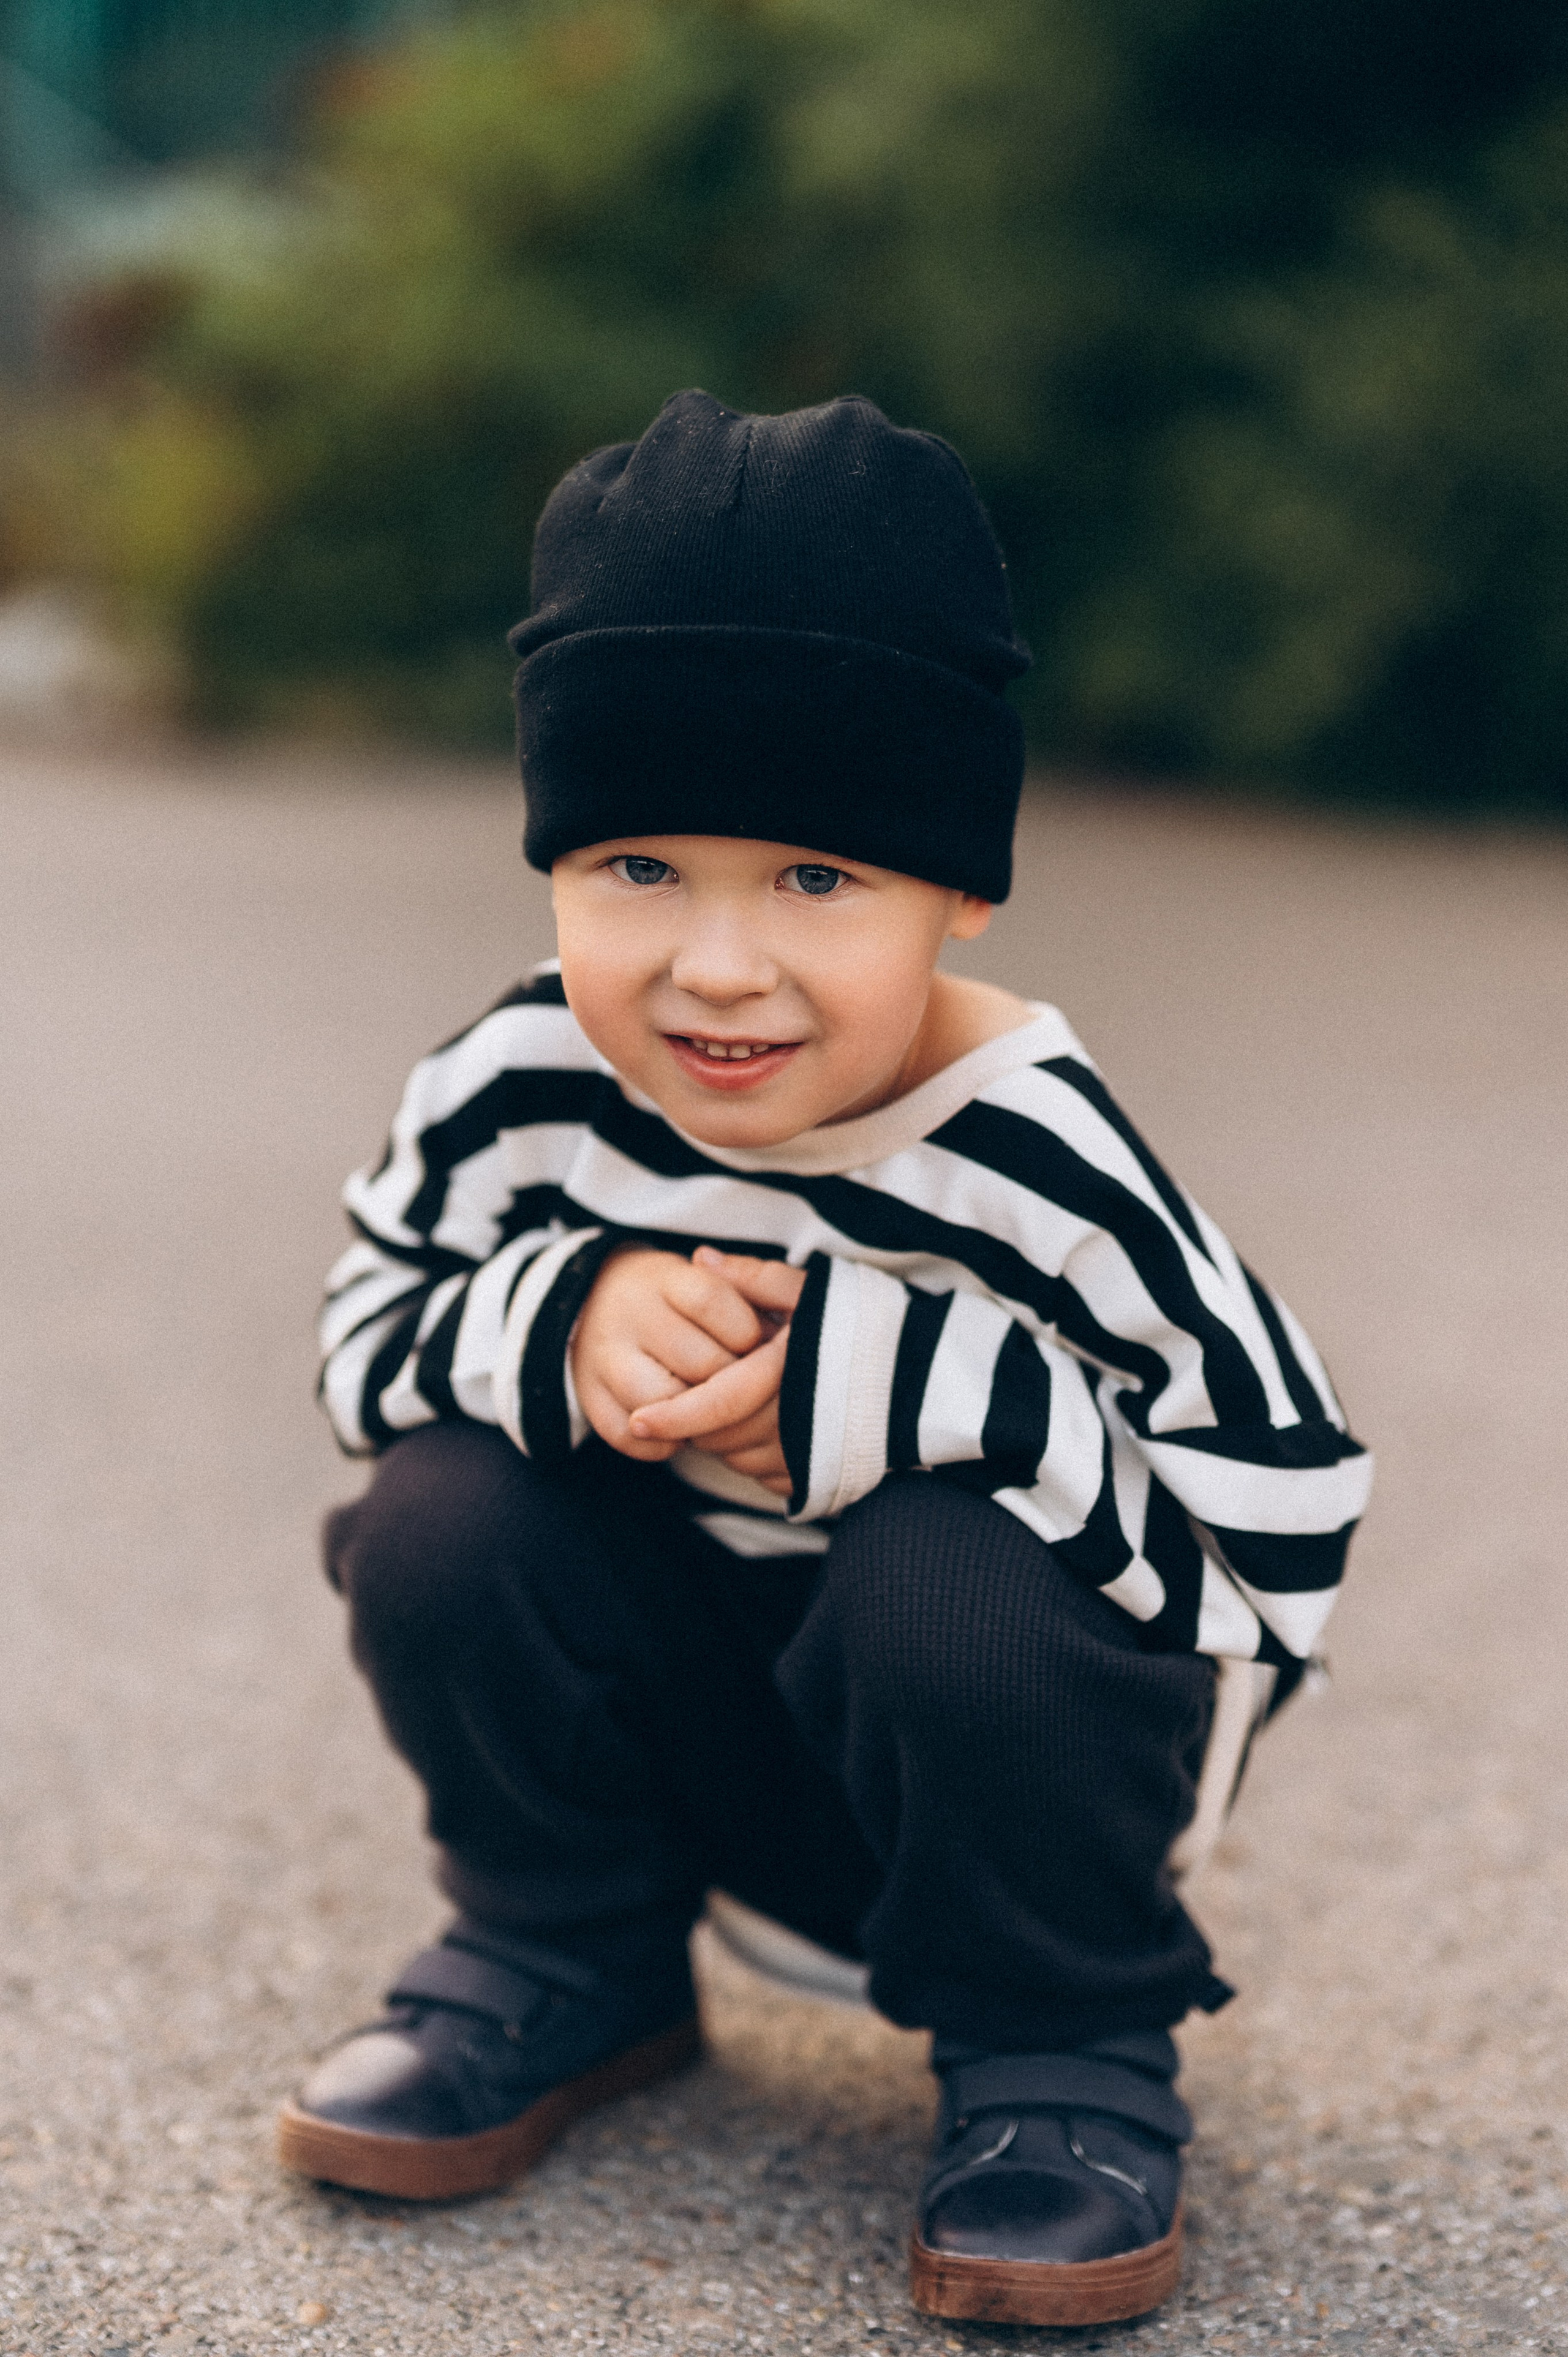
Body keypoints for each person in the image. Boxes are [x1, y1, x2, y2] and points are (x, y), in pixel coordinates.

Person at [277, 390, 1372, 2328]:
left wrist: (917, 1392)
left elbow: (1282, 1524)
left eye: (815, 878)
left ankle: (1061, 2051)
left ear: (959, 884)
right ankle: (565, 1950)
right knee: (444, 1504)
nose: (717, 966)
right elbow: (366, 1341)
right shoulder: (520, 1082)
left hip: (1010, 1804)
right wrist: (561, 1316)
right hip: (677, 1748)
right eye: (637, 868)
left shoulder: (1042, 1162)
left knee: (944, 1562)